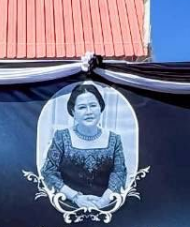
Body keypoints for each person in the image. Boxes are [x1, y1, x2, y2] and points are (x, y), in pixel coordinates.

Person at [41, 81, 127, 210]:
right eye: (81, 107)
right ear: (73, 111)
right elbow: (48, 172)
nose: (88, 112)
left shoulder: (114, 139)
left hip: (104, 205)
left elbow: (119, 172)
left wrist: (104, 201)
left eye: (93, 105)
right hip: (68, 204)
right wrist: (75, 197)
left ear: (101, 107)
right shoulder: (61, 137)